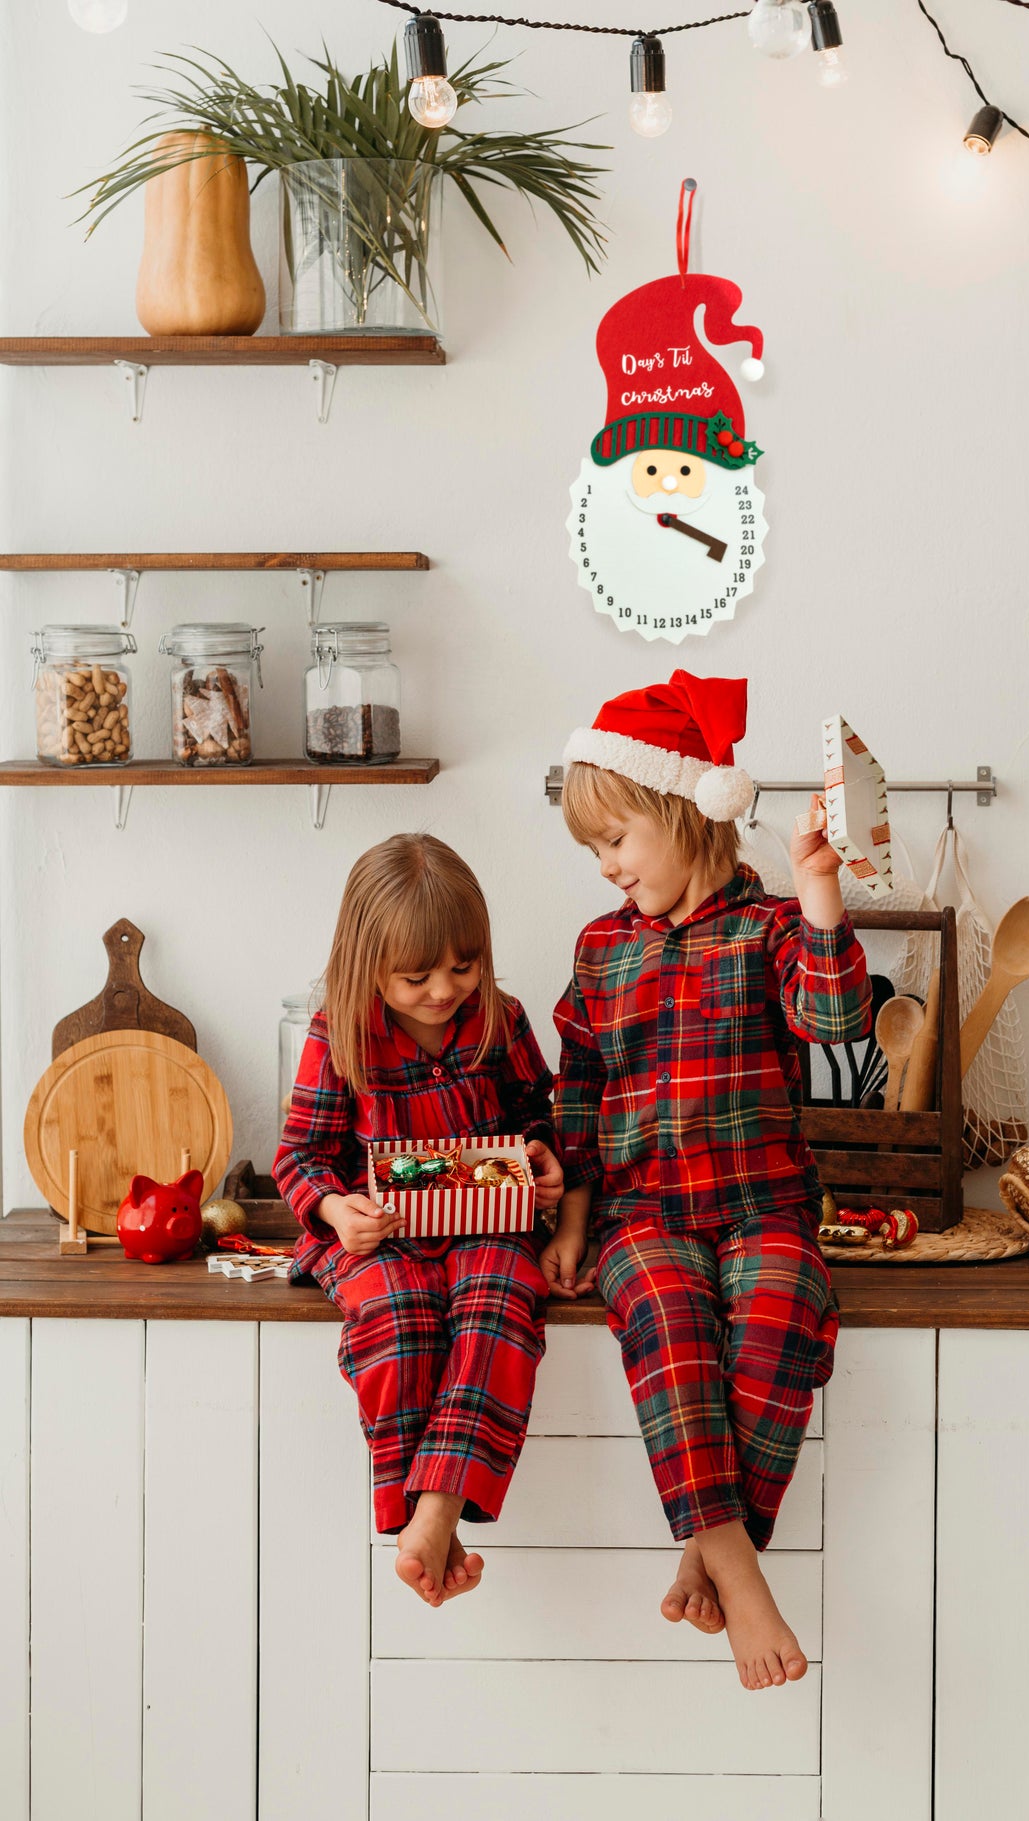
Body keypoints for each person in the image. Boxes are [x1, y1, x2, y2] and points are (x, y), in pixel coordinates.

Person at [543, 670, 871, 1691]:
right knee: (668, 1325)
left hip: (761, 1205)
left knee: (782, 1309)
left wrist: (818, 892)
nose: (603, 867)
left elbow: (833, 1025)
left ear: (681, 811)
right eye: (592, 850)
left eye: (614, 842)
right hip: (642, 1216)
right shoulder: (600, 953)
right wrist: (570, 1220)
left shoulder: (770, 932)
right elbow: (579, 1102)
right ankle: (739, 1569)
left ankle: (710, 1553)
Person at [274, 833, 563, 1608]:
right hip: (378, 1237)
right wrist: (336, 1209)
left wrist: (541, 1157)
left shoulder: (499, 1019)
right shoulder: (340, 1033)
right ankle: (429, 1516)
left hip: (486, 1226)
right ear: (367, 963)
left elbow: (543, 1115)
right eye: (416, 975)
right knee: (397, 1318)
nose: (444, 989)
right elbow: (299, 1156)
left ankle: (430, 1514)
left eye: (463, 967)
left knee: (504, 1295)